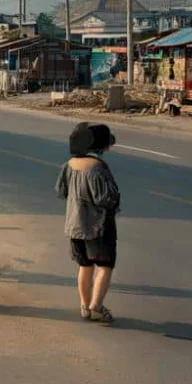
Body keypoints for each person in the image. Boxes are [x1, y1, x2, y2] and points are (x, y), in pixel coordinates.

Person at [56, 122, 120, 323]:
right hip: (98, 227)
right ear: (100, 146)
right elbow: (105, 199)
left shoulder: (69, 165)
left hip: (74, 225)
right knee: (104, 265)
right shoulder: (98, 167)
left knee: (84, 266)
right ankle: (97, 305)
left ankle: (84, 306)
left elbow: (61, 191)